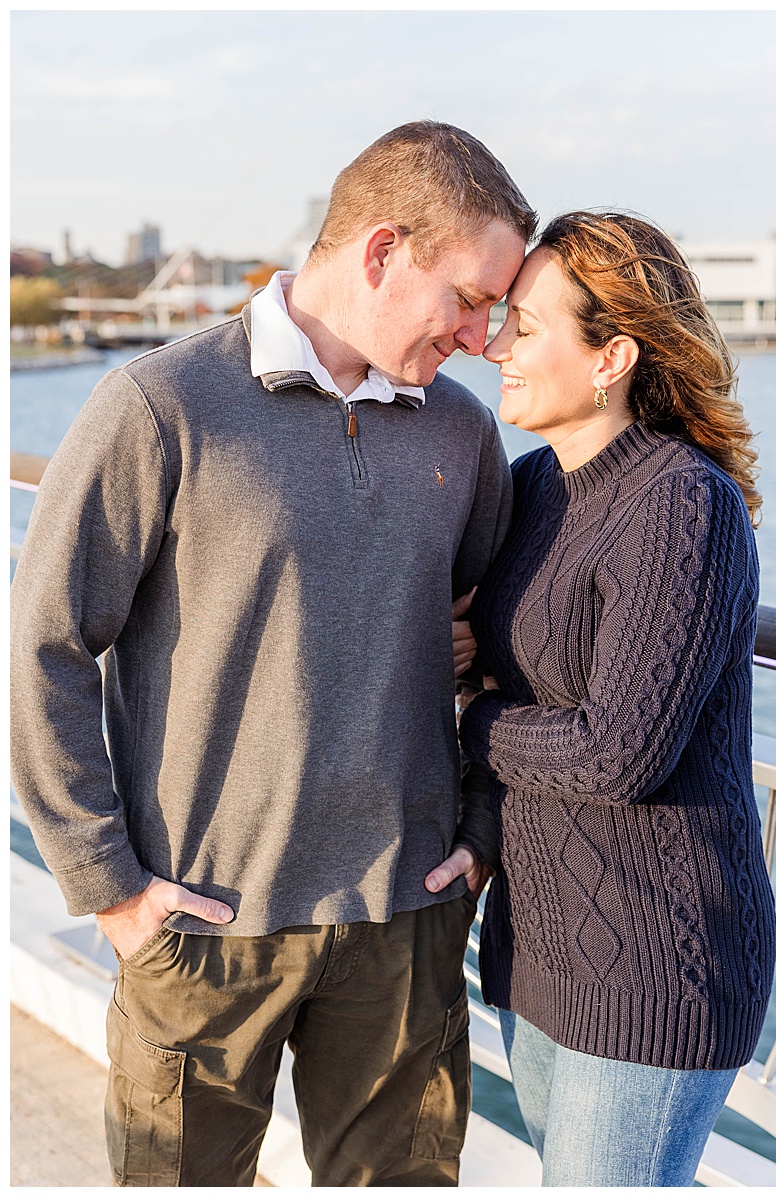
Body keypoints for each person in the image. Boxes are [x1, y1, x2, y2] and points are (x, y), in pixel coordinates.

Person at [10, 122, 537, 1185]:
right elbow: (44, 647)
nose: (484, 336)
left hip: (407, 920)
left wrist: (479, 835)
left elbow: (501, 656)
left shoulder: (463, 437)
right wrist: (109, 886)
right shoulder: (160, 406)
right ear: (382, 251)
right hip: (204, 924)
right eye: (471, 299)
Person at [433, 211, 776, 1186]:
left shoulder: (682, 503)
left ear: (609, 357)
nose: (493, 345)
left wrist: (464, 721)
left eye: (525, 328)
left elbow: (616, 754)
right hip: (536, 946)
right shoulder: (532, 485)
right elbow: (512, 672)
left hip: (653, 962)